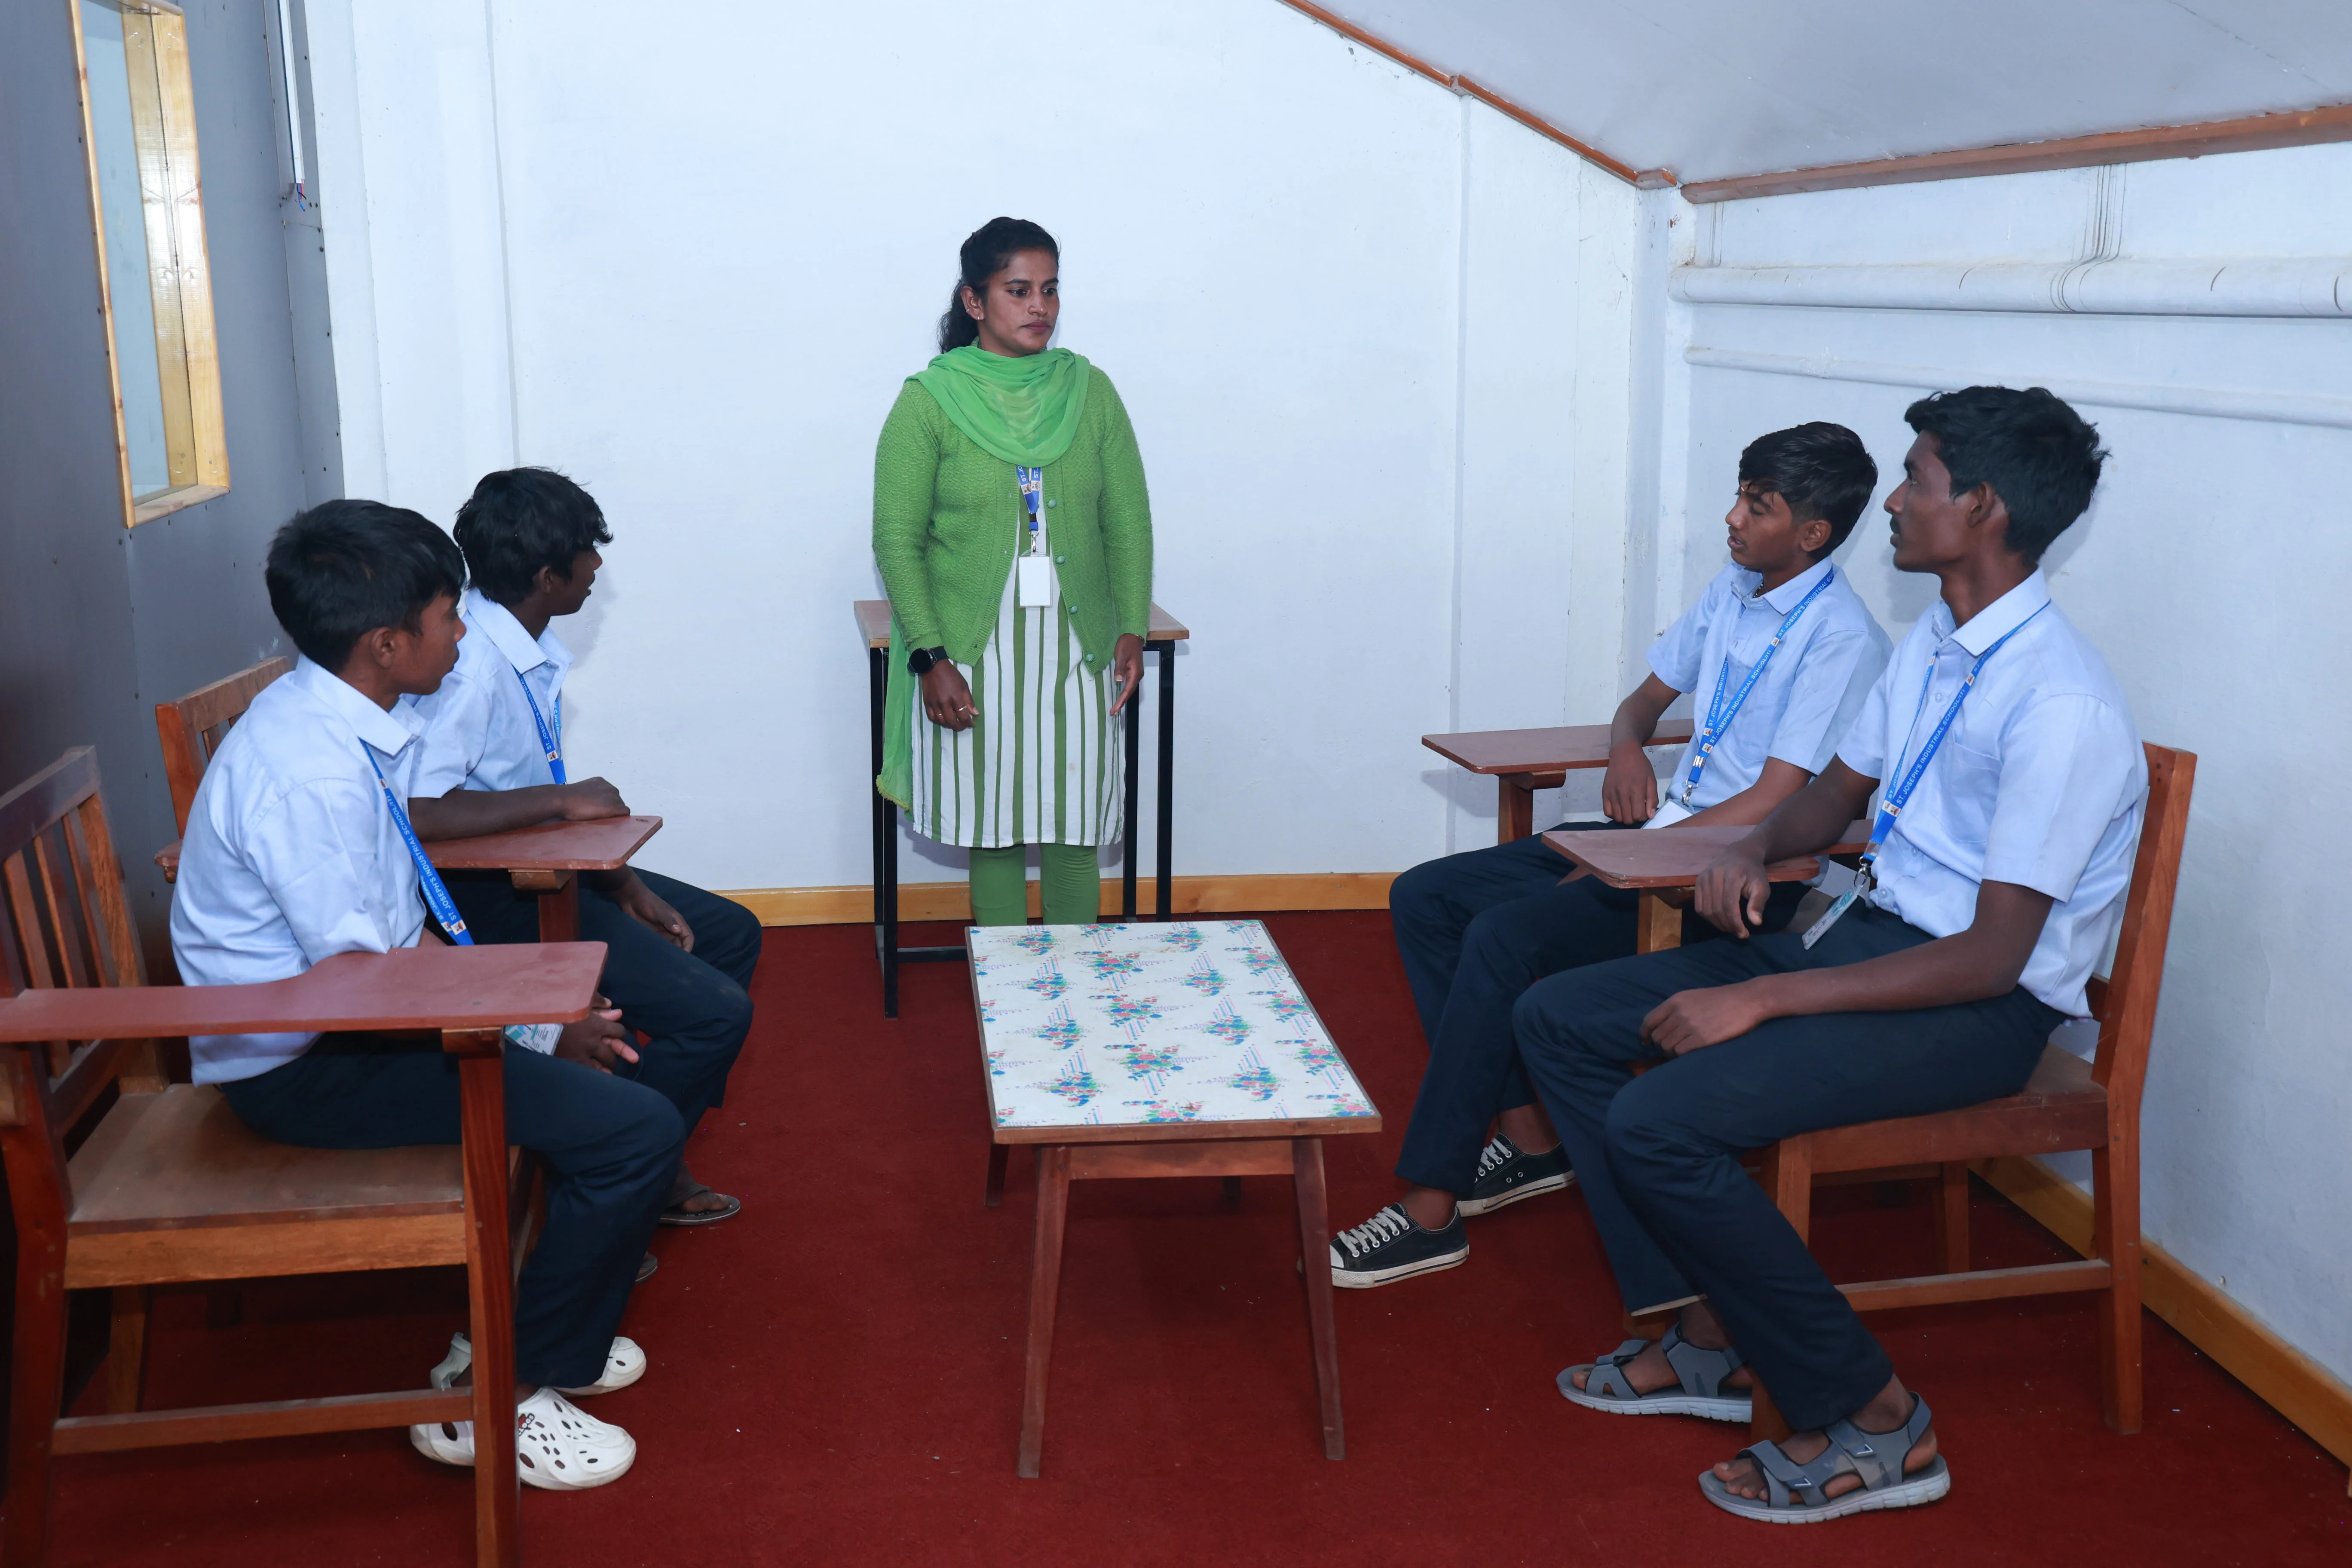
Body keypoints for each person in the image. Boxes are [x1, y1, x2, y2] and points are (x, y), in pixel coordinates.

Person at [1526, 386, 2142, 1523]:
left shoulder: (2060, 703)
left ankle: (1876, 1418)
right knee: (1559, 1018)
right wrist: (1755, 846)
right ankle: (1710, 1327)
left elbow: (1997, 957)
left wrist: (1770, 1004)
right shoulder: (1936, 647)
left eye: (1918, 481)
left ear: (1987, 509)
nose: (1896, 505)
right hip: (1867, 944)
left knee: (1661, 1119)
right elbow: (1830, 804)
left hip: (1970, 1007)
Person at [171, 499, 673, 1490]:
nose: (462, 634)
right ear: (387, 642)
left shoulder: (346, 719)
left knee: (610, 1096)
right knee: (634, 1133)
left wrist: (533, 1018)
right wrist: (534, 1027)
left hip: (351, 1015)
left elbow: (388, 942)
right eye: (450, 617)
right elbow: (370, 988)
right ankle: (500, 1393)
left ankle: (537, 1329)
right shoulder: (308, 771)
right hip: (306, 1060)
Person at [1329, 423, 1892, 1288]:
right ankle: (1527, 1138)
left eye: (1758, 506)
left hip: (1739, 873)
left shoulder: (1842, 638)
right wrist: (1629, 748)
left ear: (1813, 535)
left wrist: (1646, 849)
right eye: (1739, 494)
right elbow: (1643, 702)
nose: (1733, 518)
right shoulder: (1734, 589)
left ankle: (1432, 1204)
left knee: (1506, 938)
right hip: (1660, 840)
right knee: (1428, 897)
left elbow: (1783, 800)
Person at [404, 468, 759, 1226]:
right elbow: (419, 812)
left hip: (548, 869)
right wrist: (564, 801)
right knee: (716, 1014)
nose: (598, 567)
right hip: (488, 895)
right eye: (588, 553)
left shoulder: (522, 643)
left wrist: (620, 883)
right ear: (545, 575)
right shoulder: (470, 670)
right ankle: (624, 1167)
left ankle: (636, 1145)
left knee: (729, 933)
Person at [872, 217, 1153, 927]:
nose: (1040, 308)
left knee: (1075, 825)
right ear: (975, 301)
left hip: (1077, 648)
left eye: (1050, 291)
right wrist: (930, 659)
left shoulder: (1091, 393)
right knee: (990, 827)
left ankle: (1080, 999)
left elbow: (1128, 523)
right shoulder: (929, 401)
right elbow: (896, 541)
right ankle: (1009, 1009)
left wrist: (1131, 627)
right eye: (1019, 290)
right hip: (973, 651)